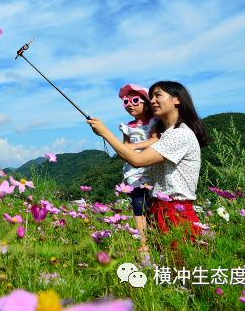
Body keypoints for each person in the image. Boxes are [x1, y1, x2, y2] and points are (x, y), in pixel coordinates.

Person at [88, 81, 209, 249]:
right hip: (159, 210)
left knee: (179, 271)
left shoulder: (179, 134)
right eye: (151, 97)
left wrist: (105, 133)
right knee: (165, 270)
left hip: (175, 213)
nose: (152, 100)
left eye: (158, 95)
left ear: (177, 100)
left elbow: (138, 160)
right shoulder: (166, 134)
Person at [115, 83, 159, 252]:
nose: (130, 104)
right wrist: (126, 150)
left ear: (146, 103)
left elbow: (155, 140)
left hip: (151, 169)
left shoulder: (153, 122)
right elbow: (124, 147)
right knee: (138, 206)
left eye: (134, 100)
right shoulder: (126, 127)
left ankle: (156, 239)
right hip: (133, 172)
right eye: (126, 102)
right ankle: (143, 243)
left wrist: (131, 148)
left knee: (153, 205)